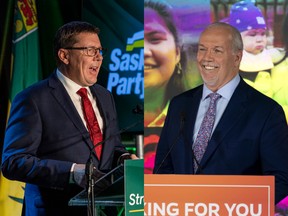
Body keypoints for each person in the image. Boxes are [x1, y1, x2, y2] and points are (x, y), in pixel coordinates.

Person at [1, 21, 137, 216]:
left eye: (100, 50)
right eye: (90, 50)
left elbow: (111, 147)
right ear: (64, 55)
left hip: (104, 209)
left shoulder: (105, 96)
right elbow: (13, 162)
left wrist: (124, 159)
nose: (99, 57)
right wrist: (72, 172)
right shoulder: (34, 98)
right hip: (56, 209)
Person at [153, 22, 288, 204]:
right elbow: (163, 168)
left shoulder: (266, 112)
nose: (206, 58)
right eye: (202, 49)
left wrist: (234, 206)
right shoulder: (179, 105)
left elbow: (280, 179)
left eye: (217, 50)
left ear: (237, 58)